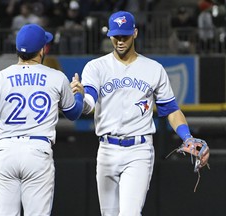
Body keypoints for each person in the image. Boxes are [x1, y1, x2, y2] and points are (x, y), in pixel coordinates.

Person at [72, 11, 210, 215]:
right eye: (116, 36)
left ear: (135, 33)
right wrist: (79, 96)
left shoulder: (153, 68)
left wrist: (187, 136)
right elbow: (88, 105)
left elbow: (171, 109)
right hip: (107, 149)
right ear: (109, 35)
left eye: (124, 36)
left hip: (139, 151)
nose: (120, 41)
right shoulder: (96, 67)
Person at [0, 24, 84, 215]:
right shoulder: (56, 77)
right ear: (43, 50)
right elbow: (74, 113)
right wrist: (79, 94)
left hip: (6, 152)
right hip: (37, 152)